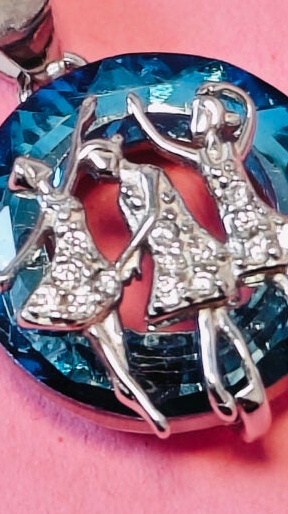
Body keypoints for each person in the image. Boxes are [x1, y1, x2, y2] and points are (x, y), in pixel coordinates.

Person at [128, 81, 288, 382]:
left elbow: (250, 112)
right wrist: (140, 117)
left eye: (199, 112)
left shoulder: (230, 148)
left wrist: (228, 92)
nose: (194, 119)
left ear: (211, 118)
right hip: (240, 236)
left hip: (257, 224)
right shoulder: (204, 156)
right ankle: (276, 358)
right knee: (280, 285)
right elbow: (163, 145)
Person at [0, 105, 166, 437]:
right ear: (32, 180)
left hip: (96, 269)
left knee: (115, 341)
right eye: (37, 171)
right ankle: (140, 400)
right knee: (103, 342)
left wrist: (81, 122)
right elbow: (32, 245)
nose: (44, 171)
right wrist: (10, 272)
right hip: (72, 278)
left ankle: (127, 387)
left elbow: (74, 158)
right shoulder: (46, 210)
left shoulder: (63, 195)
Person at [93, 135, 270, 441]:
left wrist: (127, 252)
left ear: (114, 154)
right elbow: (140, 230)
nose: (102, 170)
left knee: (215, 320)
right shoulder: (122, 194)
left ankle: (222, 383)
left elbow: (150, 216)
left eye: (102, 161)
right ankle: (231, 383)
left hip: (189, 250)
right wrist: (133, 259)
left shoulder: (149, 173)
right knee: (217, 322)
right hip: (167, 260)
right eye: (96, 168)